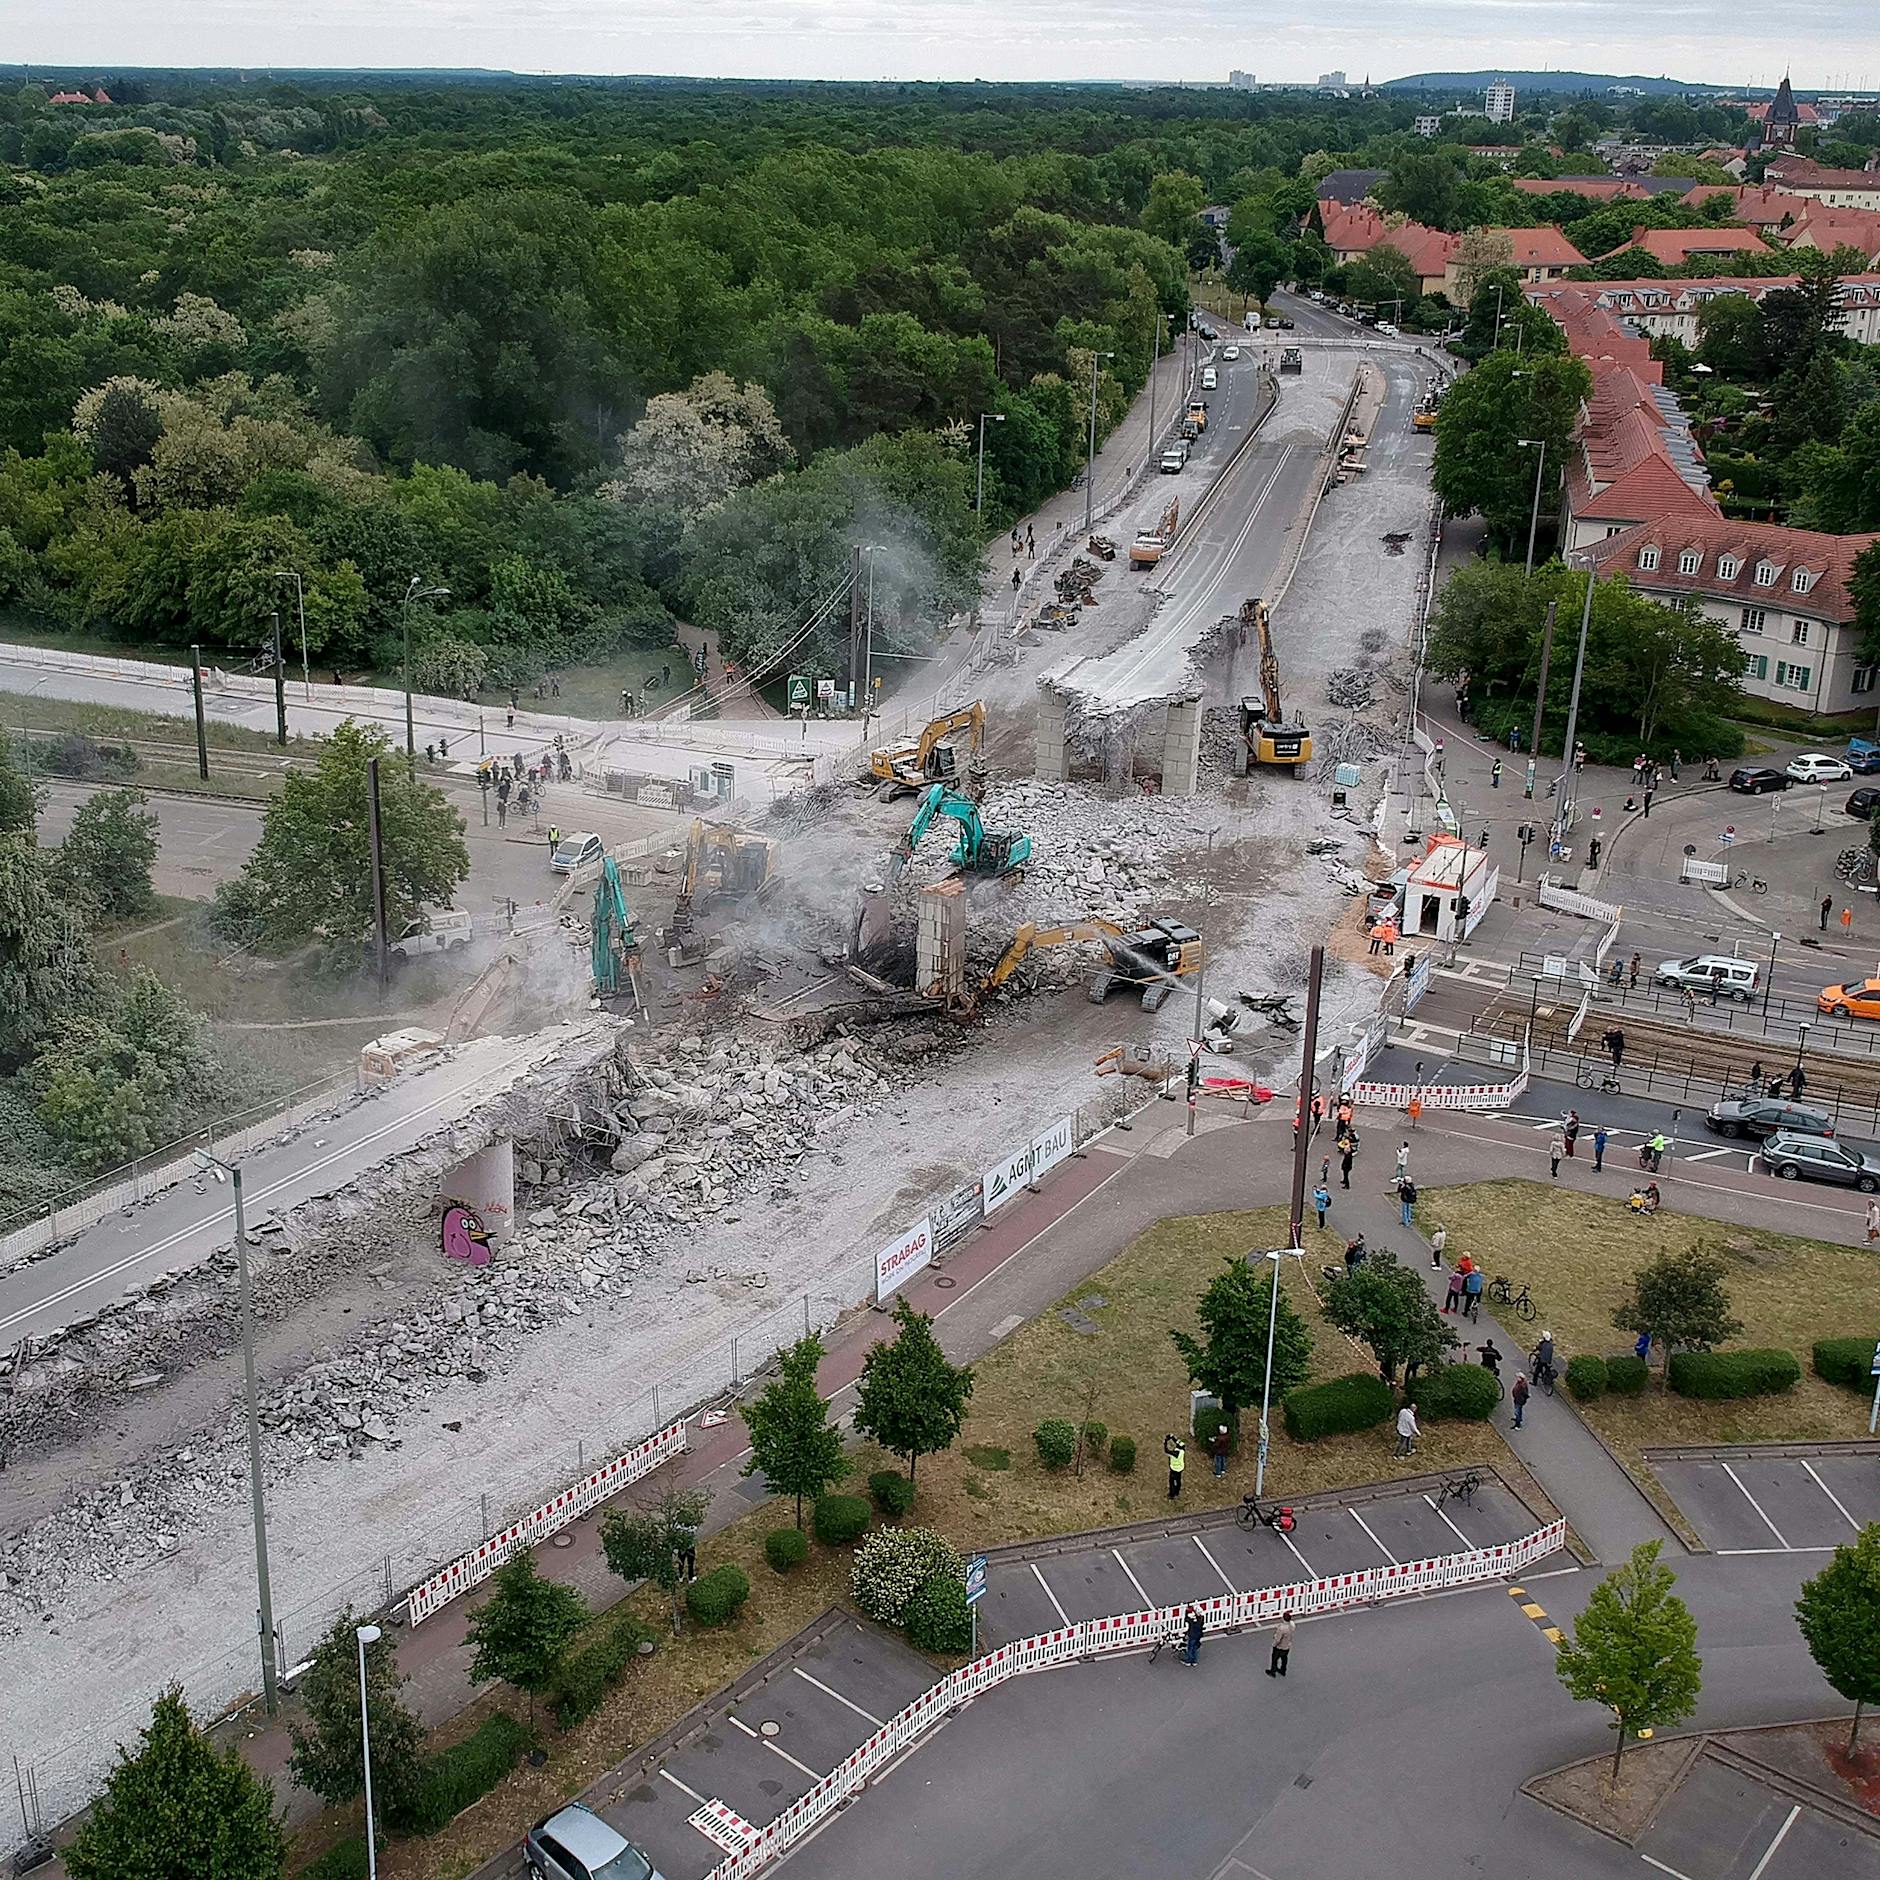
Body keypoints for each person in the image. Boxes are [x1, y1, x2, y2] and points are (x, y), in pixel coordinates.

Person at [1265, 1611, 1296, 1678]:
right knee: (1284, 1658)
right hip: (1287, 1645)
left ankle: (1273, 1672)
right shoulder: (1292, 1624)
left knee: (1274, 1659)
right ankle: (1283, 1670)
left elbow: (1278, 1639)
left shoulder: (1281, 1628)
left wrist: (1274, 1645)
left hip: (1280, 1647)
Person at [1165, 1435, 1186, 1500]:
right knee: (1178, 1480)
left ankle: (1172, 1494)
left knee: (1172, 1482)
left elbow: (1166, 1450)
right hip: (1180, 1468)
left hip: (1174, 1469)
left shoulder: (1174, 1453)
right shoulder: (1182, 1450)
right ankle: (1177, 1492)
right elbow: (1177, 1442)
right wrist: (1172, 1437)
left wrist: (1166, 1441)